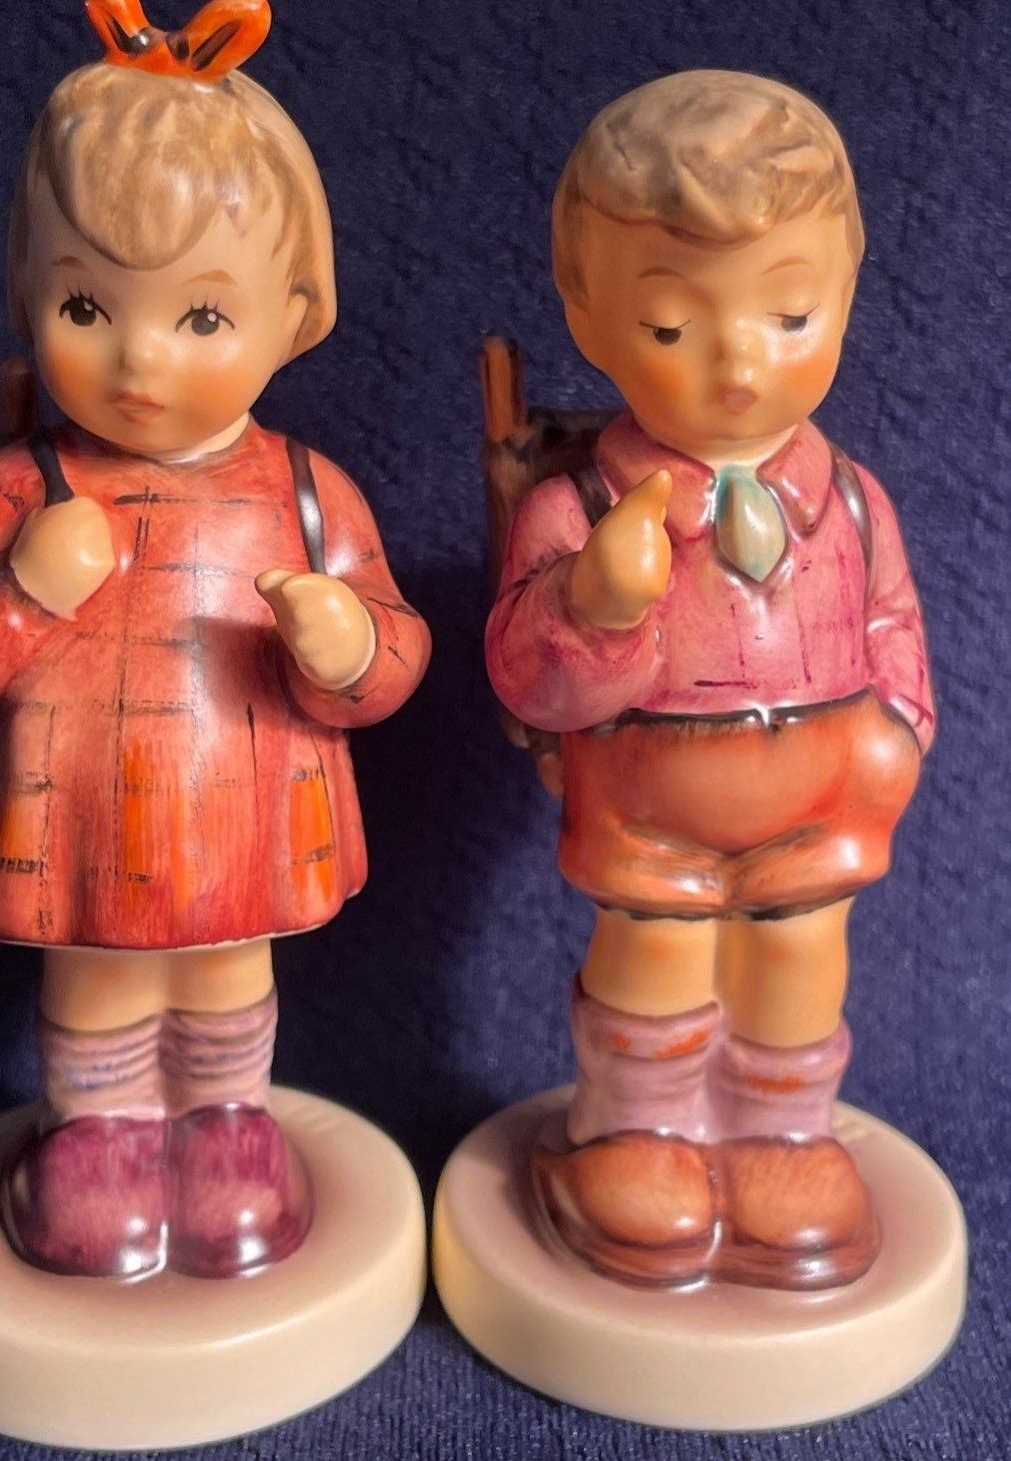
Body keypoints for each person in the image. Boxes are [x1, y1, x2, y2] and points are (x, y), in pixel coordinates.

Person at [0, 0, 430, 1280]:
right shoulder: (20, 487)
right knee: (96, 976)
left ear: (294, 312)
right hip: (82, 815)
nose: (139, 359)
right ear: (26, 294)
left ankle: (226, 1120)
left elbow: (394, 649)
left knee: (226, 972)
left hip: (238, 806)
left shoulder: (306, 491)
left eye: (200, 319)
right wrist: (25, 587)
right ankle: (97, 1133)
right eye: (85, 305)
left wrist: (345, 646)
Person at [486, 69, 932, 1289]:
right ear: (588, 317)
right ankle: (635, 1133)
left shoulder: (850, 502)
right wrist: (593, 607)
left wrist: (891, 736)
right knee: (656, 966)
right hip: (647, 816)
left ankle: (781, 1136)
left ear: (844, 292)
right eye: (673, 328)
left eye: (787, 314)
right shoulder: (577, 509)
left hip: (820, 802)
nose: (738, 361)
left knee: (796, 965)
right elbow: (522, 679)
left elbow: (892, 624)